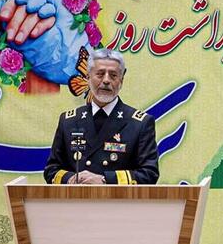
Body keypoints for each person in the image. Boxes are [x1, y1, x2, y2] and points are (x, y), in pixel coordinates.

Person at [43, 49, 159, 184]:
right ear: (88, 77)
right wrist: (71, 179)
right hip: (76, 196)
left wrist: (105, 180)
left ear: (121, 80)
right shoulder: (69, 121)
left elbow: (149, 173)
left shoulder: (140, 123)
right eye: (100, 74)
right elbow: (51, 170)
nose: (106, 80)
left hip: (117, 198)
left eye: (113, 75)